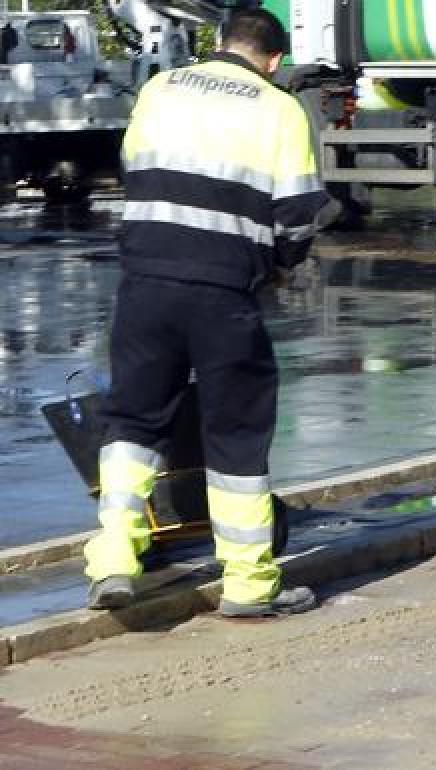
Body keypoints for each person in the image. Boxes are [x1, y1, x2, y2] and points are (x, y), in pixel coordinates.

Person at [84, 9, 334, 618]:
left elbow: (133, 169)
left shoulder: (160, 87)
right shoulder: (279, 109)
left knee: (133, 421)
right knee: (236, 435)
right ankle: (249, 585)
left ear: (220, 43)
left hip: (144, 281)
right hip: (223, 292)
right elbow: (298, 215)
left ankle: (114, 560)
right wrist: (277, 263)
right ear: (274, 59)